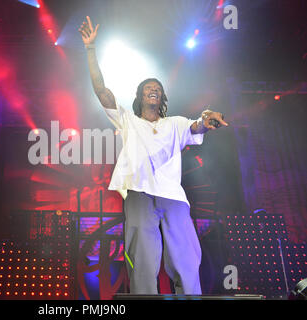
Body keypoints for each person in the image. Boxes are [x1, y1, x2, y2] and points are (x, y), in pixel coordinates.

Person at [79, 16, 228, 295]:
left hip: (173, 196)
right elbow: (101, 90)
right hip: (139, 193)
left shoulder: (175, 122)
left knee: (186, 258)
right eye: (148, 88)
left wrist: (208, 117)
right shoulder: (127, 120)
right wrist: (90, 49)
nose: (154, 90)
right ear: (139, 96)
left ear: (162, 98)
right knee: (144, 263)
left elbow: (198, 123)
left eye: (158, 89)